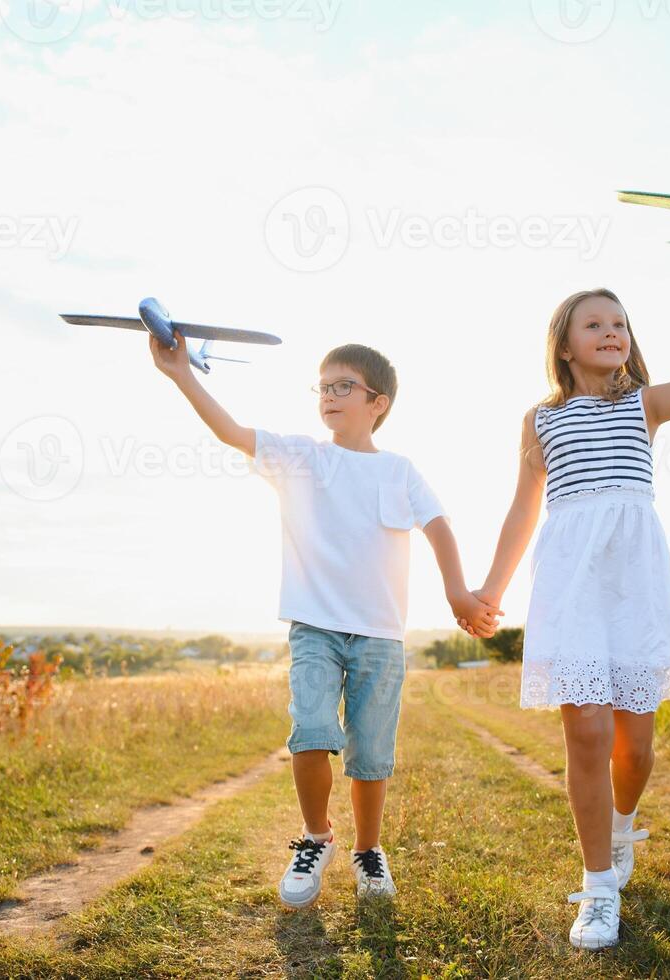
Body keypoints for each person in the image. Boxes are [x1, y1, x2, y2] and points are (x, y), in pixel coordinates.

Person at [465, 229, 670, 949]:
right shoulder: (539, 420)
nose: (611, 332)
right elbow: (521, 508)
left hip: (634, 582)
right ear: (563, 346)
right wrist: (489, 589)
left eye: (619, 323)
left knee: (636, 746)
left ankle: (622, 828)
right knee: (586, 730)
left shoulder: (644, 406)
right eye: (593, 323)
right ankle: (598, 887)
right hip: (568, 581)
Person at [150, 334, 499, 909]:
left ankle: (368, 851)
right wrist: (182, 374)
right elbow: (232, 431)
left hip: (381, 634)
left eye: (344, 386)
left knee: (370, 752)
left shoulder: (400, 470)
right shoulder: (301, 456)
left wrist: (458, 591)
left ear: (377, 402)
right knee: (310, 733)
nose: (330, 396)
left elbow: (438, 526)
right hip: (314, 625)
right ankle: (317, 838)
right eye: (324, 387)